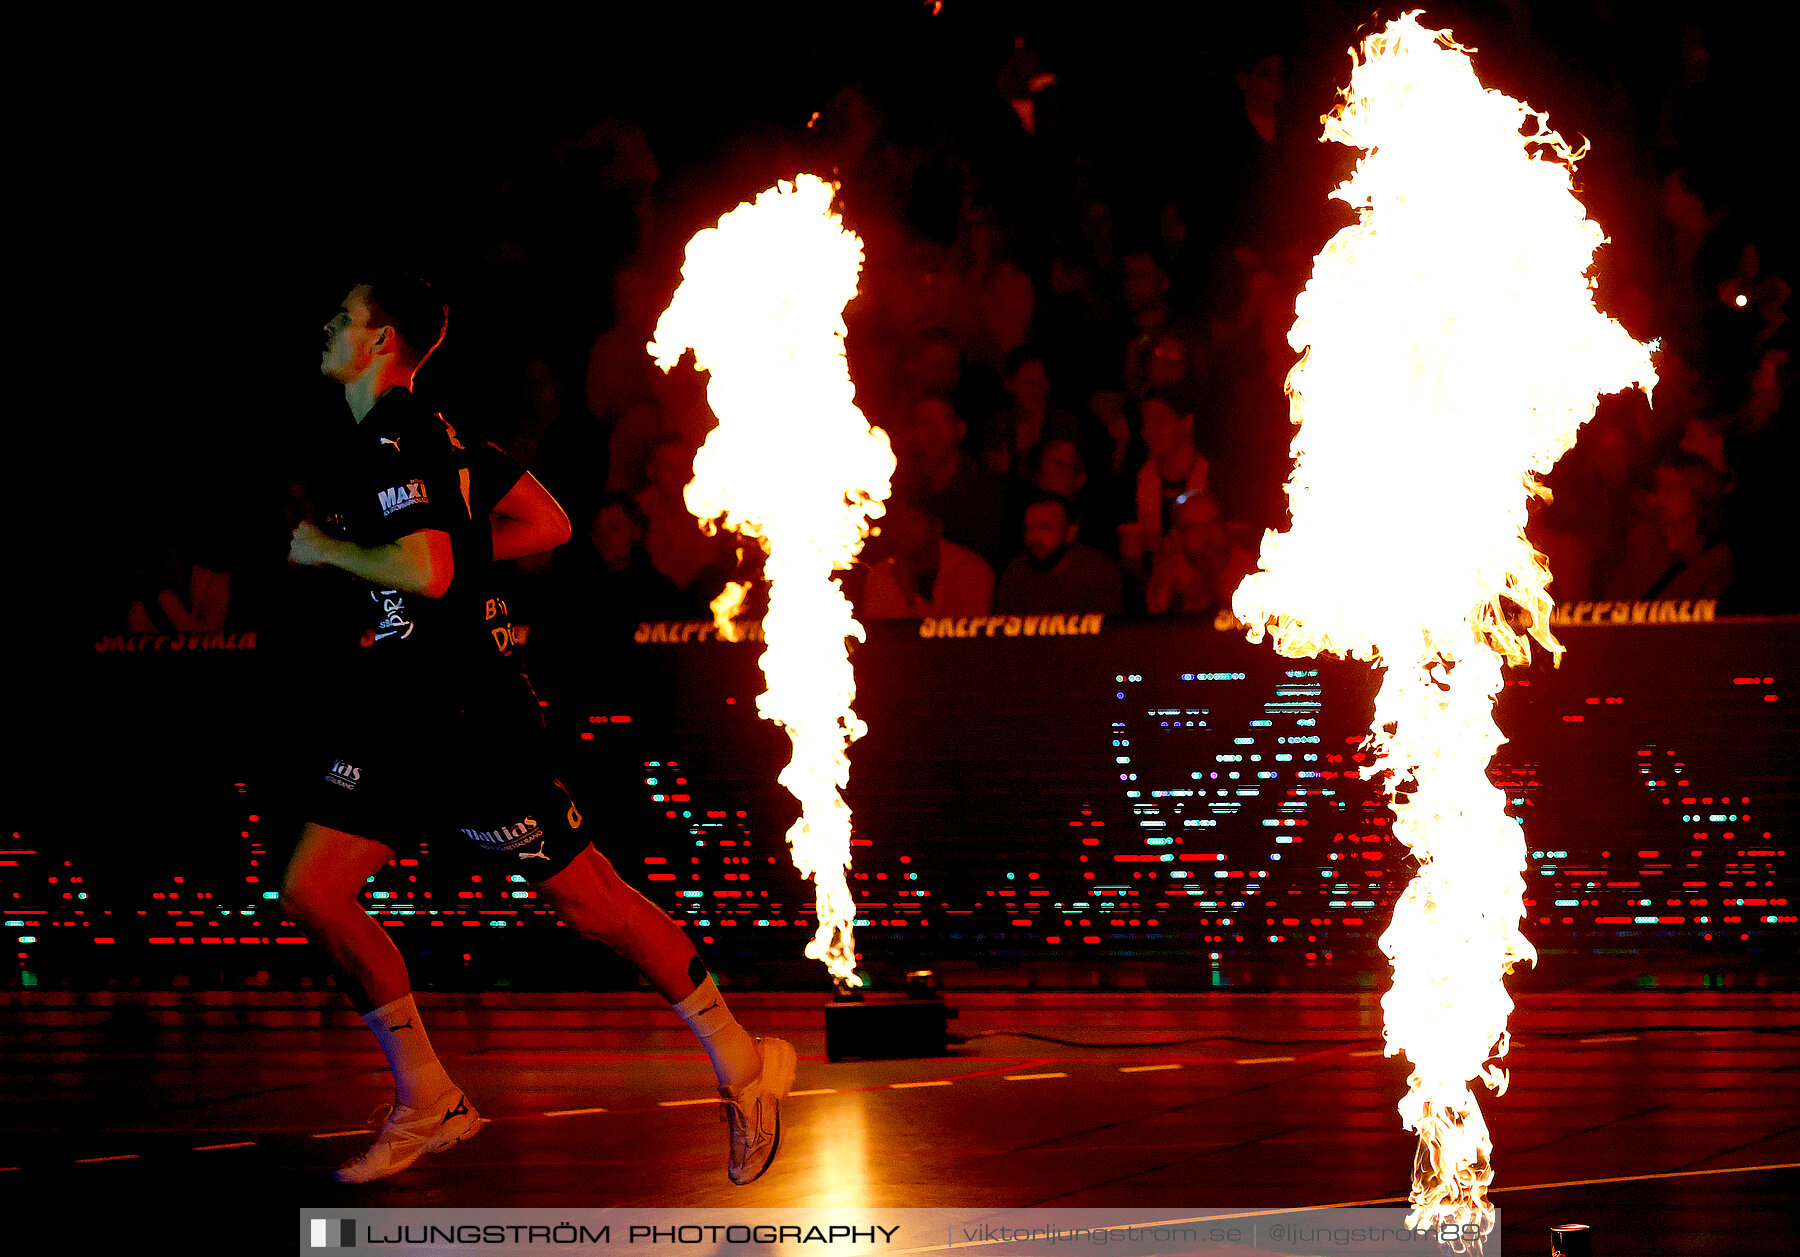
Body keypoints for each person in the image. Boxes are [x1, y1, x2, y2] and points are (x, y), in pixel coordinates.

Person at [283, 276, 794, 1186]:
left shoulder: (395, 436)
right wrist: (436, 568)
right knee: (315, 889)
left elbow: (432, 569)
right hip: (405, 709)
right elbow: (544, 522)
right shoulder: (445, 439)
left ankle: (742, 1062)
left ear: (381, 339)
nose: (327, 327)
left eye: (342, 318)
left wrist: (329, 550)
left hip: (468, 716)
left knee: (592, 903)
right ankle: (428, 1097)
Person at [994, 493, 1123, 614]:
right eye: (1028, 528)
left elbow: (1109, 633)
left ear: (1070, 532)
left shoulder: (1098, 572)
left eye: (1044, 527)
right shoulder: (1016, 573)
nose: (1034, 537)